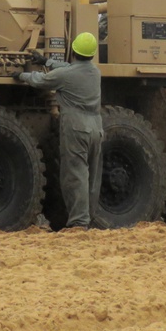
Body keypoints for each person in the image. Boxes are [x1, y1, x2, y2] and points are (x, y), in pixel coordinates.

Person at [14, 32, 102, 230]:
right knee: (93, 175)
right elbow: (70, 68)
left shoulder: (67, 75)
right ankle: (89, 219)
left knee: (75, 174)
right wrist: (47, 60)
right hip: (96, 126)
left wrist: (21, 75)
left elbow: (40, 80)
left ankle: (79, 223)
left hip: (76, 126)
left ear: (74, 51)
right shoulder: (95, 72)